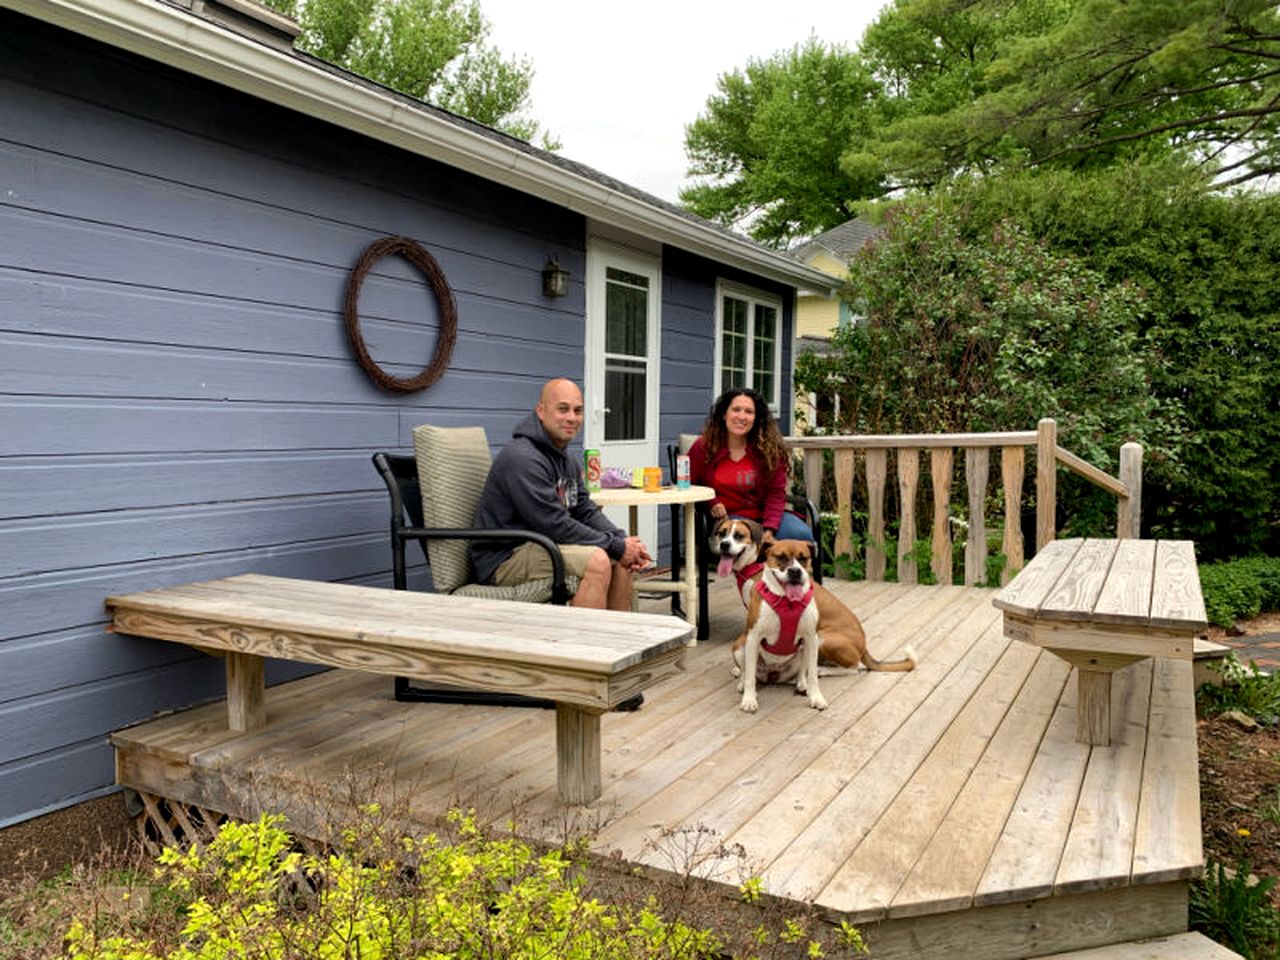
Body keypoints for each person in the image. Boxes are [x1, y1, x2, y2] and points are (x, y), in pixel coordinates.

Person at [471, 378, 652, 610]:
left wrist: (622, 541)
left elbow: (585, 510)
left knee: (620, 558)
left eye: (578, 411)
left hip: (542, 544)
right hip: (504, 557)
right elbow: (554, 524)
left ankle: (615, 634)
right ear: (541, 411)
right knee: (597, 561)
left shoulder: (566, 458)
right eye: (563, 409)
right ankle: (584, 635)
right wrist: (616, 546)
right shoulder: (523, 458)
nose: (572, 418)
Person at [687, 387, 814, 542]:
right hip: (727, 519)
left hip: (764, 515)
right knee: (742, 541)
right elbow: (687, 484)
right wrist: (711, 502)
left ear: (756, 418)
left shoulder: (769, 450)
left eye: (749, 412)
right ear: (724, 414)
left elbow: (775, 494)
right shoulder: (703, 447)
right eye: (736, 410)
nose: (742, 416)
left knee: (801, 535)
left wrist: (769, 529)